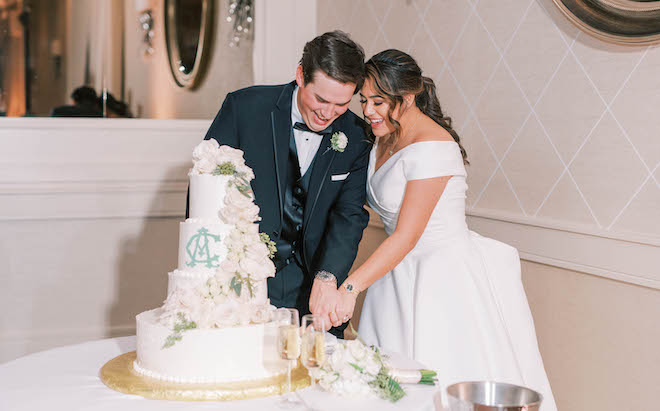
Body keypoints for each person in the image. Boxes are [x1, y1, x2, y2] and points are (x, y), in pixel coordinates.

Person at [331, 50, 557, 409]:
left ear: (407, 97)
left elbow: (408, 235)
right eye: (364, 101)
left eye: (378, 101)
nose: (369, 111)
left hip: (440, 276)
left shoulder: (434, 147)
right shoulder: (385, 136)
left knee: (439, 374)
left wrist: (351, 287)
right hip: (395, 272)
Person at [199, 31, 371, 338]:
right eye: (321, 99)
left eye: (341, 104)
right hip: (240, 280)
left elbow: (350, 216)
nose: (328, 113)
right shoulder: (244, 108)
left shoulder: (356, 136)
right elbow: (205, 190)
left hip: (312, 288)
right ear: (301, 76)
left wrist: (328, 276)